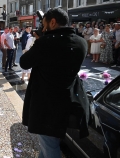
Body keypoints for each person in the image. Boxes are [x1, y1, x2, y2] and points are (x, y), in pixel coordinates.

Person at [20, 8, 88, 158]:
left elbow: (24, 62)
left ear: (52, 22)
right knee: (48, 146)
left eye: (44, 24)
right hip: (68, 101)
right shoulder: (81, 42)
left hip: (46, 106)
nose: (43, 28)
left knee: (50, 149)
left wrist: (39, 40)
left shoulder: (45, 43)